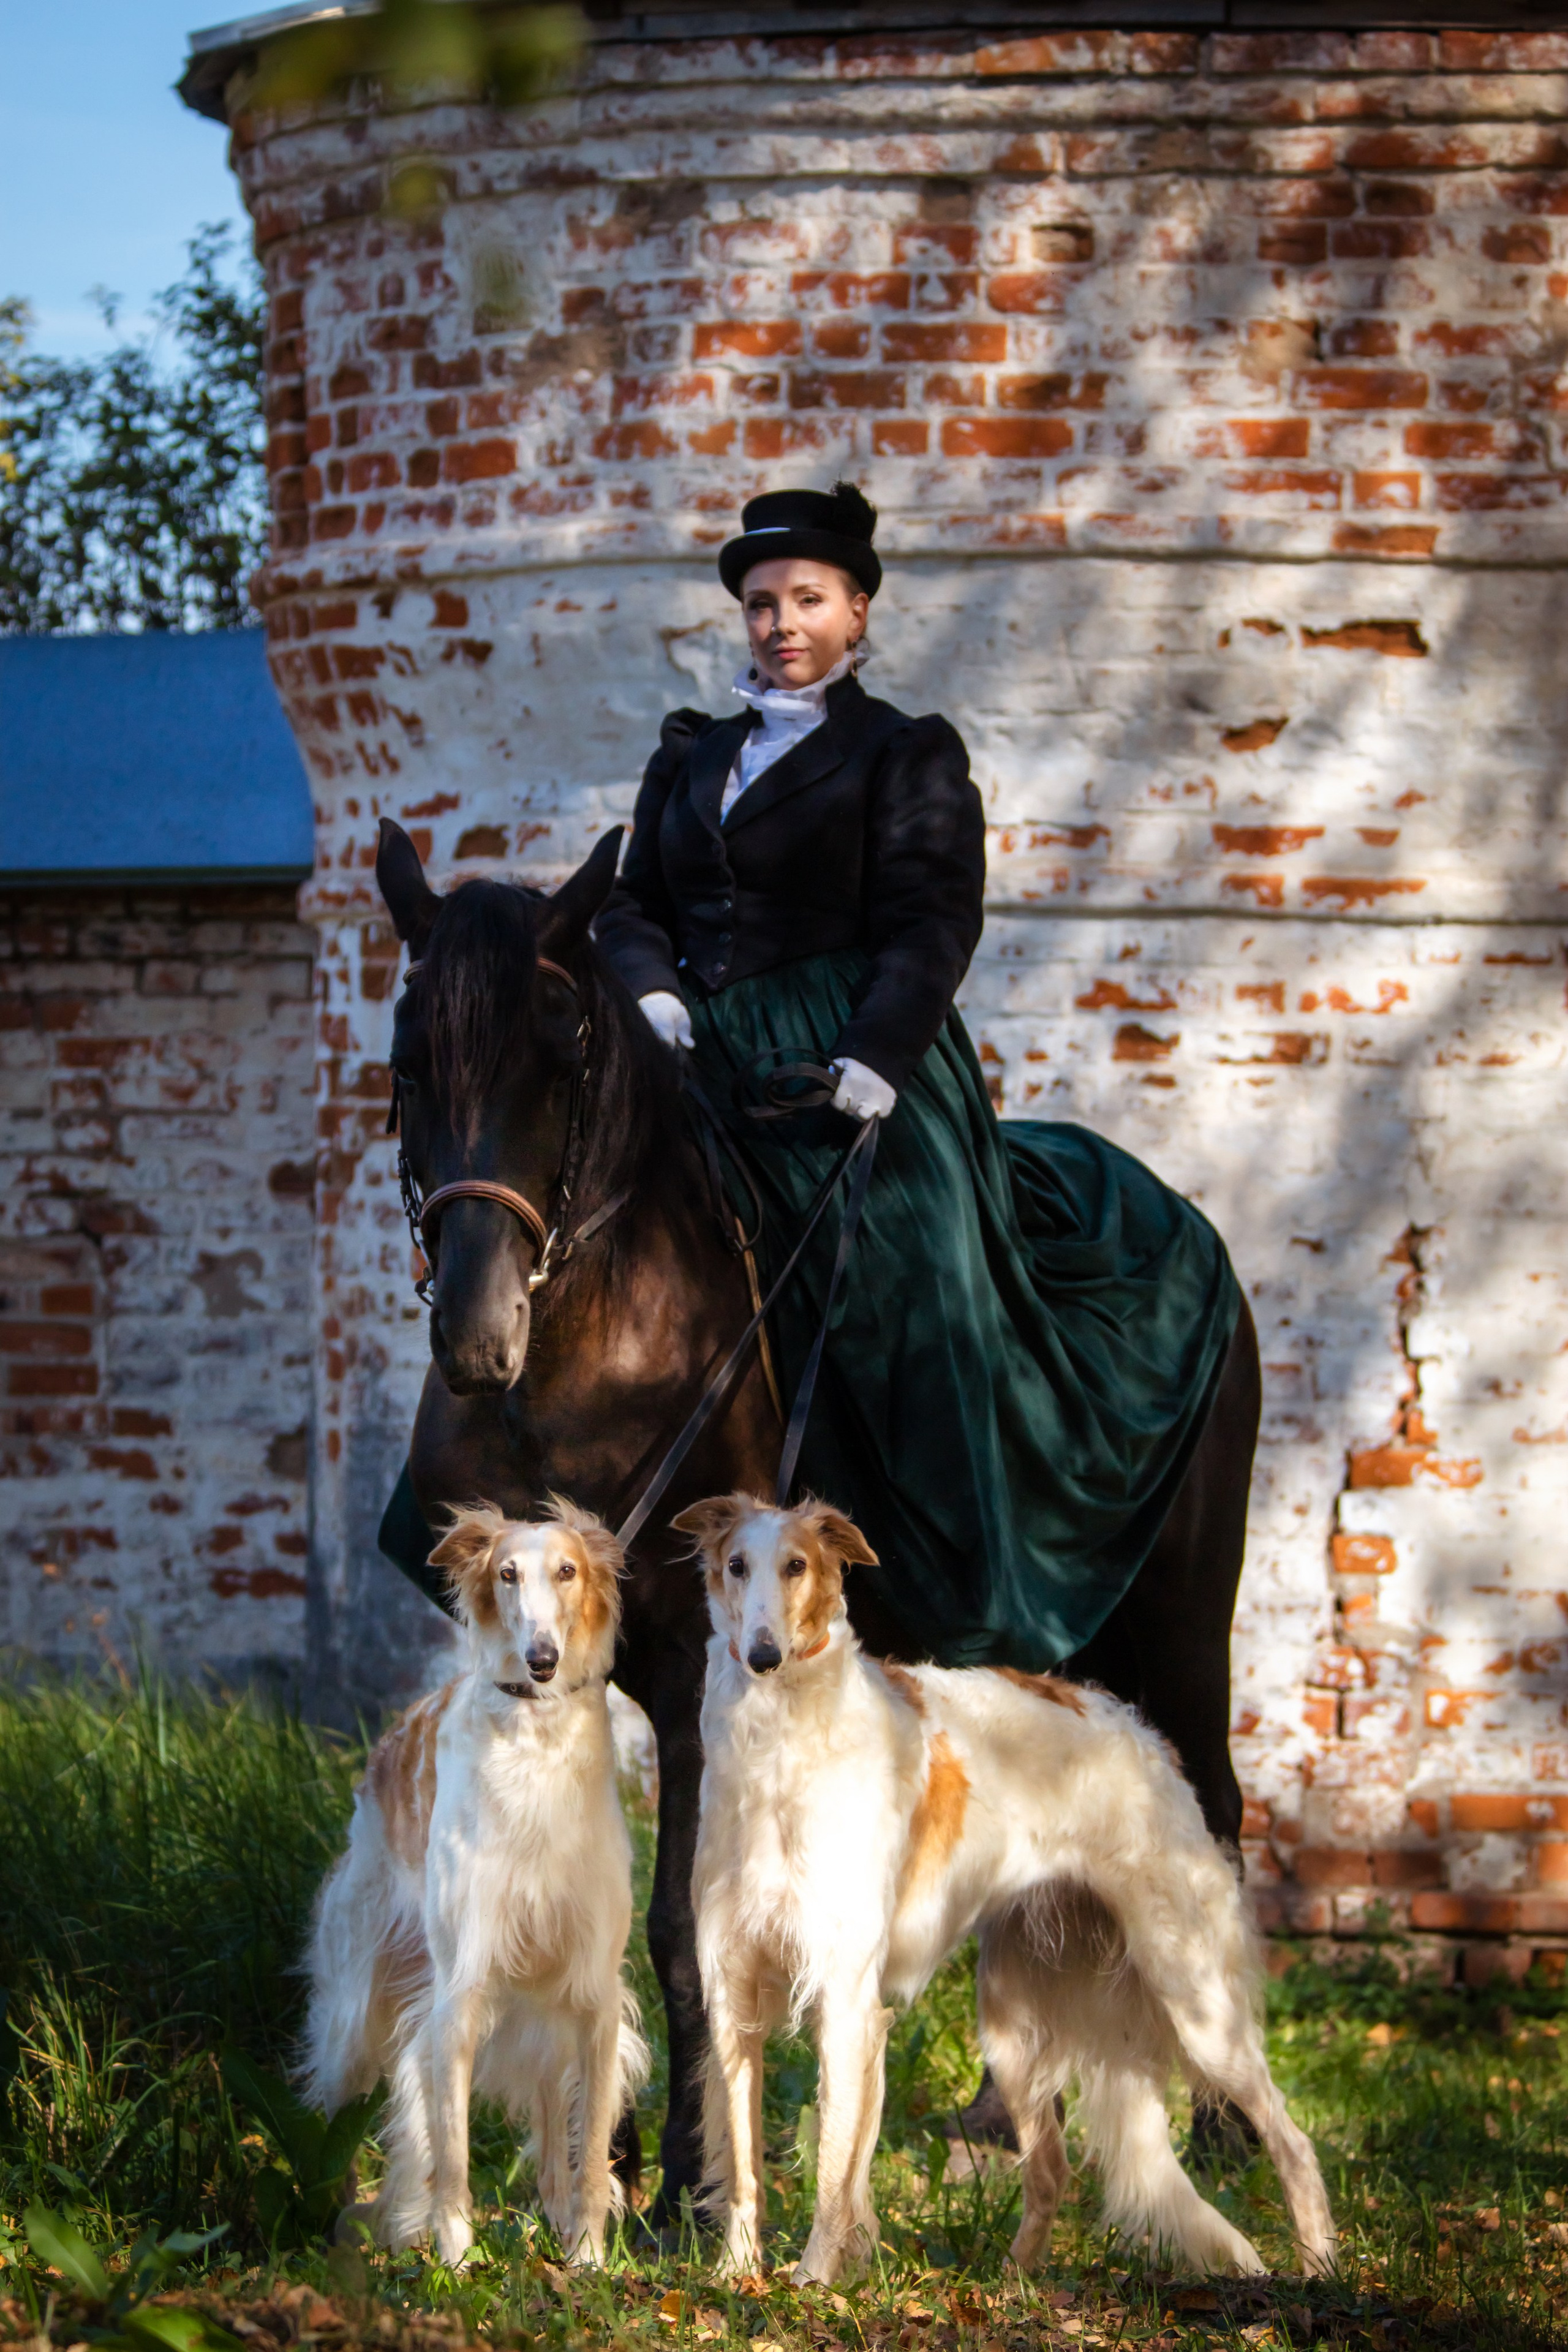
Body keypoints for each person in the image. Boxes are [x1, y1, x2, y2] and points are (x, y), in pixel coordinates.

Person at [595, 481, 1242, 1673]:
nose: (779, 623)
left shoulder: (903, 753)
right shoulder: (690, 756)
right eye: (758, 604)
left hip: (852, 1062)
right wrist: (653, 993)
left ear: (855, 615)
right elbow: (631, 905)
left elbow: (931, 921)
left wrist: (874, 1056)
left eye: (804, 600)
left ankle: (959, 1592)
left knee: (915, 1276)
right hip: (700, 1058)